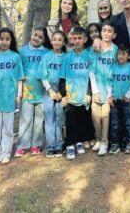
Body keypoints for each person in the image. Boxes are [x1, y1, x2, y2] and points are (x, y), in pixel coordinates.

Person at [0, 28, 24, 164]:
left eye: (7, 39)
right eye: (1, 39)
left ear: (11, 40)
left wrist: (19, 94)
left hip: (9, 97)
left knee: (7, 127)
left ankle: (5, 153)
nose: (4, 42)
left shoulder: (15, 56)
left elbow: (19, 78)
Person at [14, 26, 50, 157]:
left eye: (40, 37)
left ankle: (36, 144)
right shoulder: (22, 51)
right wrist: (19, 92)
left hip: (41, 92)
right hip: (26, 92)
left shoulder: (46, 53)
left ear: (44, 39)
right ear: (31, 34)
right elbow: (19, 73)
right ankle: (22, 145)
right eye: (35, 35)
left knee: (39, 121)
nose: (37, 38)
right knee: (25, 120)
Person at [58, 26, 92, 160]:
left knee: (82, 119)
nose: (77, 41)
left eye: (80, 38)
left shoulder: (89, 56)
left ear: (85, 39)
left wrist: (89, 93)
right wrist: (63, 95)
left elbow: (91, 76)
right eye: (75, 38)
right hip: (71, 95)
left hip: (83, 94)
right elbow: (62, 77)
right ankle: (69, 144)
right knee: (70, 120)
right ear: (71, 40)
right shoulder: (67, 57)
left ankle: (79, 141)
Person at [89, 20, 118, 156]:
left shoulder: (115, 50)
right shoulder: (95, 48)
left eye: (109, 31)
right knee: (96, 116)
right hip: (97, 88)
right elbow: (92, 70)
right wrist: (95, 91)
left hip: (109, 89)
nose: (106, 33)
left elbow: (115, 71)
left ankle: (105, 142)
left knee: (105, 116)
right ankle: (99, 140)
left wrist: (110, 93)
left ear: (114, 34)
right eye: (104, 30)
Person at [41, 31, 67, 158]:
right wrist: (50, 90)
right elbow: (43, 75)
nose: (57, 42)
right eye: (54, 39)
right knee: (49, 117)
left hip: (62, 89)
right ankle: (50, 145)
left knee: (59, 117)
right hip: (49, 89)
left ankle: (59, 144)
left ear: (63, 42)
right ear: (51, 41)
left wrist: (62, 93)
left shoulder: (66, 57)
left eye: (60, 40)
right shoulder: (46, 56)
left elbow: (68, 75)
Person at [108, 45, 130, 154]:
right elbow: (109, 81)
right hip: (115, 100)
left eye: (123, 54)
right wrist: (110, 95)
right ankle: (115, 143)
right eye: (119, 53)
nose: (121, 56)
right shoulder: (113, 66)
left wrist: (128, 95)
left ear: (129, 56)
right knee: (114, 123)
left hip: (126, 101)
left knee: (128, 122)